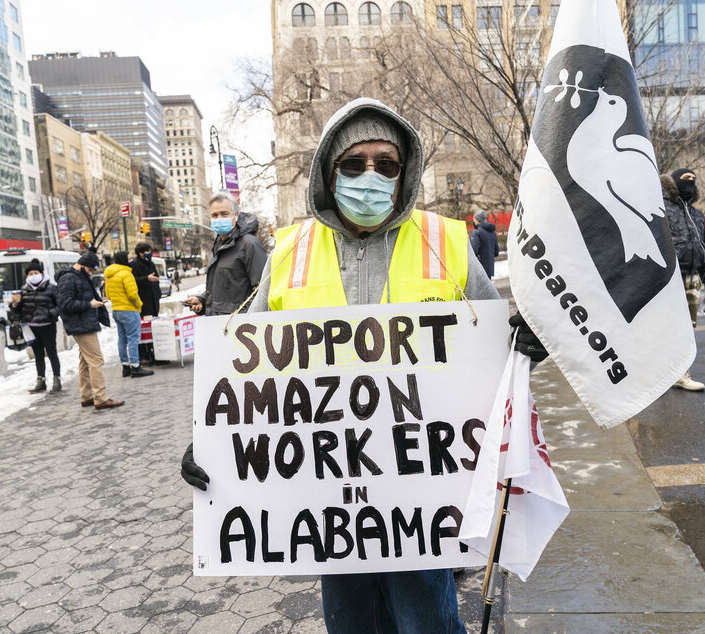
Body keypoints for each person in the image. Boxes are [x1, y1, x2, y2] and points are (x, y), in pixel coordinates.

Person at [179, 98, 547, 633]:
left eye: (386, 163)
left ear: (405, 173)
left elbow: (494, 349)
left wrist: (523, 342)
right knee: (351, 624)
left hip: (422, 496)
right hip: (330, 503)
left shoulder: (447, 242)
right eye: (354, 163)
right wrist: (214, 444)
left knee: (428, 621)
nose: (370, 176)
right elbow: (244, 368)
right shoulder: (289, 251)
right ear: (330, 173)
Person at [661, 168, 705, 392]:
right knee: (664, 326)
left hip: (693, 278)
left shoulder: (697, 215)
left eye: (694, 180)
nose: (691, 182)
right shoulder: (661, 208)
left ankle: (679, 373)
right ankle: (660, 374)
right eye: (686, 179)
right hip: (669, 276)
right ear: (674, 183)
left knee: (686, 329)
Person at [56, 251, 124, 410]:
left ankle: (86, 396)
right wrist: (89, 305)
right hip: (80, 325)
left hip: (84, 323)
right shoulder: (68, 278)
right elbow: (65, 304)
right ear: (82, 264)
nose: (91, 273)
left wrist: (97, 303)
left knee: (86, 361)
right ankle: (101, 398)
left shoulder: (79, 276)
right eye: (90, 270)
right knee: (96, 360)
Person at [184, 191, 267, 316]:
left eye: (224, 214)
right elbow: (223, 290)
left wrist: (241, 319)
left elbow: (263, 290)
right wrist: (202, 301)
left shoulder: (250, 245)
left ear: (236, 216)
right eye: (214, 215)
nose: (219, 219)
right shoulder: (218, 246)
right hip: (220, 327)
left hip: (239, 329)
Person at [8, 258, 61, 393]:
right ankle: (41, 380)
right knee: (37, 354)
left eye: (35, 273)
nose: (33, 276)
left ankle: (57, 379)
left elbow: (61, 305)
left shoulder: (51, 288)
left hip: (47, 325)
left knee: (51, 352)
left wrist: (51, 313)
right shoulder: (24, 290)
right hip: (31, 327)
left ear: (42, 274)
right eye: (30, 274)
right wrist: (14, 305)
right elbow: (18, 311)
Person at [105, 251, 154, 378]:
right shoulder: (126, 274)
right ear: (123, 260)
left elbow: (108, 295)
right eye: (128, 258)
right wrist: (139, 304)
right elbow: (132, 295)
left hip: (116, 310)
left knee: (122, 339)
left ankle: (125, 367)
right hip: (129, 310)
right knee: (133, 339)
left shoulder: (109, 275)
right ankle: (136, 367)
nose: (131, 259)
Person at [131, 242, 161, 364]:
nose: (150, 254)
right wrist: (146, 279)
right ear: (141, 253)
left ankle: (154, 353)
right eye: (147, 251)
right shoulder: (135, 264)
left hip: (154, 300)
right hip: (143, 302)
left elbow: (156, 278)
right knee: (144, 329)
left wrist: (157, 292)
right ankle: (144, 354)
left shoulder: (151, 263)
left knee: (153, 327)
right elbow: (133, 281)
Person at [470, 209, 500, 279]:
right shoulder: (492, 232)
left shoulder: (476, 232)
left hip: (479, 268)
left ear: (478, 220)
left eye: (474, 219)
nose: (474, 221)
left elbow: (473, 251)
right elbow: (496, 252)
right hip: (489, 268)